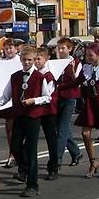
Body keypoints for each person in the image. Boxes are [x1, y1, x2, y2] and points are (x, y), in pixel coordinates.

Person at [0, 45, 52, 197]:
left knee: (31, 150)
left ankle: (32, 184)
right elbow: (5, 97)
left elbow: (47, 97)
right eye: (24, 60)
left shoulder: (40, 77)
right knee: (15, 146)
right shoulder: (15, 77)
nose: (26, 63)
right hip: (19, 115)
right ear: (20, 60)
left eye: (29, 60)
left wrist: (34, 100)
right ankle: (25, 168)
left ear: (34, 61)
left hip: (33, 116)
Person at [59, 42, 99, 179]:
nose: (88, 58)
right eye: (86, 55)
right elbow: (76, 82)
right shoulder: (86, 68)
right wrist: (59, 86)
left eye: (90, 55)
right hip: (90, 104)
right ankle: (93, 162)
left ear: (98, 55)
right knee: (85, 134)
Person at [55, 38, 83, 167]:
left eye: (63, 48)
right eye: (59, 48)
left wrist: (71, 68)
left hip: (70, 98)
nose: (60, 51)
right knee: (62, 129)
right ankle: (76, 152)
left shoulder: (76, 63)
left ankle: (57, 160)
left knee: (61, 130)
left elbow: (77, 80)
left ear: (69, 49)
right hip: (57, 98)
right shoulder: (55, 62)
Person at [34, 48, 60, 181]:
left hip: (48, 111)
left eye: (39, 59)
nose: (36, 62)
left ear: (45, 59)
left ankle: (53, 167)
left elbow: (47, 95)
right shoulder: (34, 74)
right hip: (36, 110)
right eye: (35, 59)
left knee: (51, 139)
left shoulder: (48, 76)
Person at [0, 38, 19, 168]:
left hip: (17, 98)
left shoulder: (19, 61)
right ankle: (12, 154)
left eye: (11, 48)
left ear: (16, 49)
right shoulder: (2, 63)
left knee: (18, 129)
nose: (8, 50)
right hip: (7, 98)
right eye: (6, 48)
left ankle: (18, 153)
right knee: (9, 128)